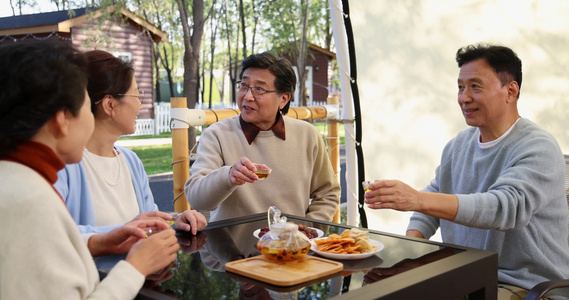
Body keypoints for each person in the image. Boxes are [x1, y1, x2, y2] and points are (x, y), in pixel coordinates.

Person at [364, 43, 569, 299]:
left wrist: (417, 198)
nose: (464, 97)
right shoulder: (458, 145)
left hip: (526, 287)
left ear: (511, 91)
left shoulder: (539, 147)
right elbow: (436, 195)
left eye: (475, 86)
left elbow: (506, 208)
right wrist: (413, 249)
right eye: (460, 87)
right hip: (465, 275)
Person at [0, 40, 180, 299]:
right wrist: (135, 267)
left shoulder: (17, 181)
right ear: (62, 120)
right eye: (85, 107)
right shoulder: (29, 201)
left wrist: (101, 242)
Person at [54, 50, 207, 235]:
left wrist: (175, 222)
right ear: (109, 105)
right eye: (137, 96)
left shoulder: (130, 161)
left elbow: (146, 223)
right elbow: (53, 236)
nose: (140, 106)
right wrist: (124, 231)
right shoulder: (63, 166)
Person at [185, 52, 340, 222]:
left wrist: (308, 229)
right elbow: (197, 199)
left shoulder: (307, 135)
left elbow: (328, 193)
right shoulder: (217, 135)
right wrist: (228, 176)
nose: (247, 96)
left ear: (284, 99)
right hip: (232, 247)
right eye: (243, 85)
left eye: (259, 89)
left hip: (294, 244)